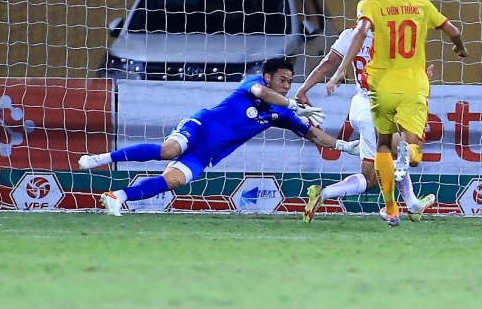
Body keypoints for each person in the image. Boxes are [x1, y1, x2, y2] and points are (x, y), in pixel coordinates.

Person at [78, 56, 358, 215]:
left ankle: (116, 197)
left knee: (173, 181)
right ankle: (100, 158)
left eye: (289, 82)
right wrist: (292, 103)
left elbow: (312, 133)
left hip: (207, 152)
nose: (286, 86)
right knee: (169, 150)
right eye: (282, 80)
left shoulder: (283, 114)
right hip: (199, 126)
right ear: (268, 77)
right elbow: (261, 94)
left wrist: (345, 146)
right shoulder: (255, 84)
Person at [324, 0, 468, 226]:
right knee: (413, 145)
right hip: (413, 85)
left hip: (381, 88)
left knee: (382, 146)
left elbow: (361, 33)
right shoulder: (421, 3)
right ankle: (408, 157)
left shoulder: (370, 5)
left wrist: (341, 70)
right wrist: (459, 48)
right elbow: (454, 31)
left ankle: (392, 208)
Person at [296, 1, 436, 222]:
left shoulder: (350, 35)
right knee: (395, 156)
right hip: (380, 107)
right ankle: (327, 195)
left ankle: (412, 204)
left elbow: (326, 64)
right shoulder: (393, 39)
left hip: (360, 105)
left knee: (384, 161)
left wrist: (303, 90)